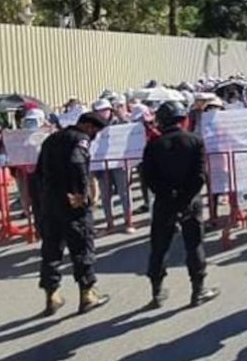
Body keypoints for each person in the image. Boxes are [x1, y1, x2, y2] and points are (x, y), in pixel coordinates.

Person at [141, 101, 219, 308]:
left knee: (159, 247)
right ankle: (198, 290)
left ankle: (157, 293)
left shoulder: (153, 145)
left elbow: (148, 178)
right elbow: (200, 176)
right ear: (183, 119)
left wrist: (169, 196)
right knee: (194, 246)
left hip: (164, 202)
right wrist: (184, 200)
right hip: (190, 201)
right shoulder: (195, 141)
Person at [33, 112, 110, 316]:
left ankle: (52, 294)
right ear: (87, 126)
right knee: (82, 247)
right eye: (95, 130)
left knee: (51, 249)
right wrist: (81, 192)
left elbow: (38, 173)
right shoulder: (80, 139)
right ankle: (87, 293)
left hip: (50, 202)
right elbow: (77, 163)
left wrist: (40, 203)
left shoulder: (51, 139)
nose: (94, 135)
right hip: (72, 202)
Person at [90, 99, 134, 233]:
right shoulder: (92, 126)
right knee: (105, 194)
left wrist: (121, 115)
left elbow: (131, 129)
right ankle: (110, 223)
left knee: (124, 192)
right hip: (102, 165)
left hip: (120, 162)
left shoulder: (118, 122)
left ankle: (129, 222)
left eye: (106, 110)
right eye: (100, 111)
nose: (103, 113)